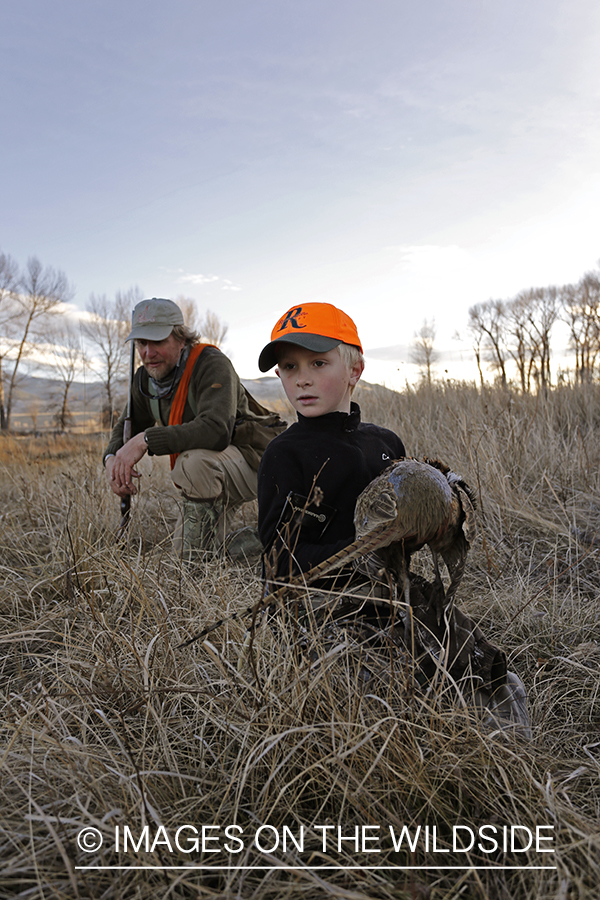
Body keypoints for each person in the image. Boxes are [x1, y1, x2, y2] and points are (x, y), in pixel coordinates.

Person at [256, 302, 530, 737]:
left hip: (401, 595)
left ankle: (503, 754)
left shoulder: (384, 443)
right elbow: (278, 561)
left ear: (355, 368)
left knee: (488, 674)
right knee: (381, 708)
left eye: (318, 362)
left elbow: (419, 524)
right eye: (289, 367)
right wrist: (361, 554)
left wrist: (442, 516)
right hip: (325, 608)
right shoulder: (285, 455)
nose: (302, 377)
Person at [104, 297, 284, 560]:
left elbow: (216, 430)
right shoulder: (144, 378)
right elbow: (125, 429)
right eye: (141, 343)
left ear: (181, 339)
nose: (147, 352)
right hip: (216, 471)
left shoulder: (211, 364)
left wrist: (146, 440)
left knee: (193, 463)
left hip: (258, 461)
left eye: (158, 341)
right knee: (209, 556)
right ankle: (267, 540)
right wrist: (112, 459)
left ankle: (203, 559)